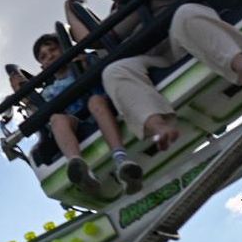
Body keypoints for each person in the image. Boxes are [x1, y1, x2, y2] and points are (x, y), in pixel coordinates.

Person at [70, 0, 242, 152]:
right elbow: (89, 40)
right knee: (114, 70)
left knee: (184, 13)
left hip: (187, 37)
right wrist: (71, 9)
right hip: (158, 57)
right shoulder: (116, 14)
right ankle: (158, 126)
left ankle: (240, 63)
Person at [12, 32, 143, 194]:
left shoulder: (84, 61)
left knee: (95, 101)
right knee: (56, 119)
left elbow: (106, 73)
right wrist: (23, 93)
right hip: (76, 122)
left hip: (103, 109)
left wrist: (87, 64)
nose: (50, 57)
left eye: (53, 50)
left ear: (64, 48)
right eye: (44, 57)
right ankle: (79, 167)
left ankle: (121, 159)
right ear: (42, 67)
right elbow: (38, 113)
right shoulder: (48, 92)